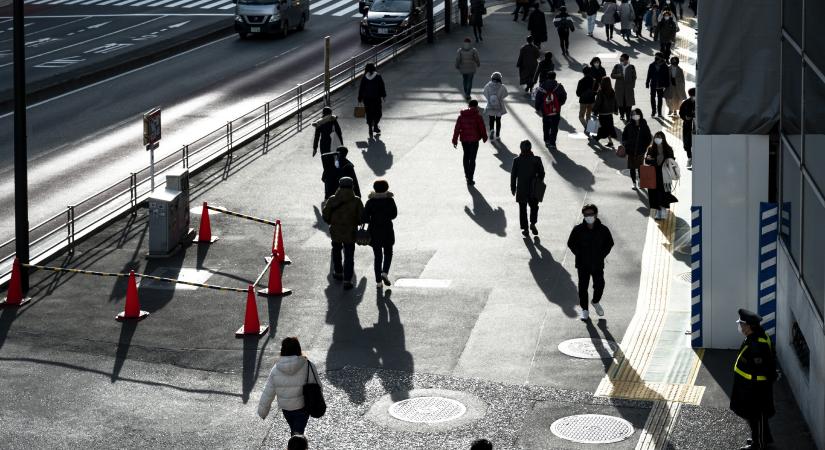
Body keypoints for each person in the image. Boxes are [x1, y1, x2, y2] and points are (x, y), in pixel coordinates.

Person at [730, 309, 777, 450]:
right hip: (749, 385)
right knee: (753, 415)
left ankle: (759, 444)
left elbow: (765, 367)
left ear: (748, 326)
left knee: (757, 416)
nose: (740, 326)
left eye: (741, 324)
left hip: (756, 387)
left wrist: (769, 379)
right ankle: (762, 438)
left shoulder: (757, 344)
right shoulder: (754, 337)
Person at [258, 337, 322, 436]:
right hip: (302, 407)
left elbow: (268, 391)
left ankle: (295, 442)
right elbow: (318, 386)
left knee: (294, 430)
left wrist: (263, 411)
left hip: (286, 409)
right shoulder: (308, 365)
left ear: (282, 350)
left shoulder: (276, 369)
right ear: (298, 349)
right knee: (297, 433)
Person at [567, 203, 614, 321]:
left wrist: (602, 255)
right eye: (586, 214)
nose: (589, 216)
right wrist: (579, 254)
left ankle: (595, 301)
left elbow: (609, 243)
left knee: (600, 285)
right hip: (582, 264)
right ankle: (584, 310)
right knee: (583, 287)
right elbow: (571, 243)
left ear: (596, 214)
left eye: (591, 214)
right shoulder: (578, 230)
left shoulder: (603, 229)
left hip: (597, 264)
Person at [322, 176, 364, 289]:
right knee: (349, 256)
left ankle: (338, 272)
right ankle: (347, 280)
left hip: (335, 232)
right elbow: (362, 218)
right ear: (352, 186)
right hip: (350, 233)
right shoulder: (356, 200)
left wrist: (332, 221)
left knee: (336, 251)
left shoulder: (332, 199)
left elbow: (325, 216)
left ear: (339, 186)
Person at [362, 179, 397, 287]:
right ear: (386, 188)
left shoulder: (370, 202)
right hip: (387, 229)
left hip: (374, 231)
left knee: (377, 256)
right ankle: (385, 272)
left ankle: (378, 282)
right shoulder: (390, 201)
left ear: (375, 189)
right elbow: (394, 215)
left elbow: (365, 218)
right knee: (388, 252)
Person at [511, 140, 545, 237]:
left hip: (521, 189)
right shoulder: (536, 159)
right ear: (530, 148)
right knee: (534, 207)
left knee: (522, 210)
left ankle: (525, 229)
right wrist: (538, 181)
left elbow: (513, 176)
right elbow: (542, 173)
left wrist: (513, 188)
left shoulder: (516, 161)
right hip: (533, 189)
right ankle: (533, 223)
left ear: (520, 149)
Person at [452, 99, 489, 185]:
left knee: (466, 156)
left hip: (464, 140)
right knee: (472, 159)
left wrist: (454, 140)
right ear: (476, 106)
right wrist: (484, 137)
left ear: (468, 106)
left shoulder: (461, 116)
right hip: (474, 140)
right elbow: (482, 128)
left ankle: (466, 175)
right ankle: (470, 178)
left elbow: (457, 129)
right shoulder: (478, 116)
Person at [643, 131, 676, 220]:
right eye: (656, 137)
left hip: (665, 174)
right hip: (653, 174)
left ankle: (663, 209)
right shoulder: (650, 148)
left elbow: (672, 161)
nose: (657, 139)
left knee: (664, 192)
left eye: (659, 137)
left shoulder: (668, 149)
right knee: (654, 193)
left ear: (663, 139)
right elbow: (647, 161)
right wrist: (650, 159)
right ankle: (657, 210)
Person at [312, 107, 343, 198]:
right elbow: (339, 132)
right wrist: (341, 145)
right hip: (333, 145)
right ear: (330, 113)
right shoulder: (333, 120)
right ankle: (335, 183)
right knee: (336, 163)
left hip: (324, 145)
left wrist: (315, 148)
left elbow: (317, 136)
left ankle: (327, 184)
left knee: (326, 165)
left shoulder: (319, 123)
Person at [619, 108, 652, 189]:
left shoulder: (644, 125)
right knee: (632, 168)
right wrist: (626, 144)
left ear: (640, 115)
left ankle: (640, 181)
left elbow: (648, 137)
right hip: (630, 150)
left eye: (636, 114)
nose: (635, 116)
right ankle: (634, 183)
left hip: (640, 151)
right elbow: (624, 136)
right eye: (633, 114)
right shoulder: (629, 125)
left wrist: (644, 147)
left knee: (640, 167)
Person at [533, 71, 567, 150]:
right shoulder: (559, 86)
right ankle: (552, 143)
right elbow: (564, 96)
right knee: (554, 127)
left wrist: (538, 107)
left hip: (545, 110)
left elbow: (538, 98)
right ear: (555, 77)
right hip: (556, 110)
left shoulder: (543, 86)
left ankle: (547, 140)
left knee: (546, 125)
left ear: (547, 77)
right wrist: (559, 104)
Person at [357, 63, 387, 139]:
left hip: (366, 99)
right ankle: (376, 125)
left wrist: (360, 98)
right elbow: (382, 86)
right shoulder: (378, 76)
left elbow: (361, 89)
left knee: (369, 113)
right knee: (378, 113)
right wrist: (383, 95)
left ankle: (370, 127)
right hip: (376, 99)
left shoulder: (364, 77)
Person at [592, 77, 618, 147]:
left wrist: (594, 110)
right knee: (608, 127)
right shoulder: (612, 90)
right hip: (610, 113)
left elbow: (598, 102)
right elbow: (615, 101)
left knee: (603, 127)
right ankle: (610, 142)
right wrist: (615, 110)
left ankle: (597, 137)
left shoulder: (601, 91)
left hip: (603, 113)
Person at [482, 72, 509, 140]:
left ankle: (491, 130)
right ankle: (497, 135)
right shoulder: (502, 86)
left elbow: (484, 93)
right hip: (499, 107)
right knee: (498, 120)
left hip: (490, 106)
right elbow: (506, 94)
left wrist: (489, 98)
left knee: (491, 119)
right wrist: (500, 98)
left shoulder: (488, 86)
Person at [610, 53, 637, 121]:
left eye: (622, 60)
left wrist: (632, 86)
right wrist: (618, 75)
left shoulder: (631, 67)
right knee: (620, 103)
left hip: (628, 89)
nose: (621, 61)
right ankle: (622, 115)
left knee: (628, 103)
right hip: (619, 88)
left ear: (626, 60)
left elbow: (634, 77)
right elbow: (612, 75)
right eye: (620, 60)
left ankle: (628, 116)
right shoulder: (617, 66)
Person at [645, 52, 670, 118]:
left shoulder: (665, 66)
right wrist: (647, 83)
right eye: (655, 57)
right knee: (652, 98)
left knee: (660, 99)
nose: (656, 58)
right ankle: (653, 111)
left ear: (661, 58)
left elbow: (667, 76)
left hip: (661, 85)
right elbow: (649, 74)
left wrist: (667, 84)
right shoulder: (652, 65)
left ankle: (659, 112)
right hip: (653, 84)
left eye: (657, 57)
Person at [678, 87, 695, 169]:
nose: (693, 97)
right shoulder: (685, 103)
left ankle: (694, 159)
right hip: (687, 125)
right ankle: (689, 158)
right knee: (687, 143)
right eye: (692, 95)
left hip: (696, 126)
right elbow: (680, 113)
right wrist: (685, 117)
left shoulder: (700, 102)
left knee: (695, 142)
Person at [576, 65, 597, 130]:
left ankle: (586, 127)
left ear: (583, 72)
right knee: (589, 115)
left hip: (583, 101)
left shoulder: (581, 81)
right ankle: (590, 129)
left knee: (581, 116)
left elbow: (578, 93)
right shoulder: (594, 80)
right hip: (591, 100)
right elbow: (596, 90)